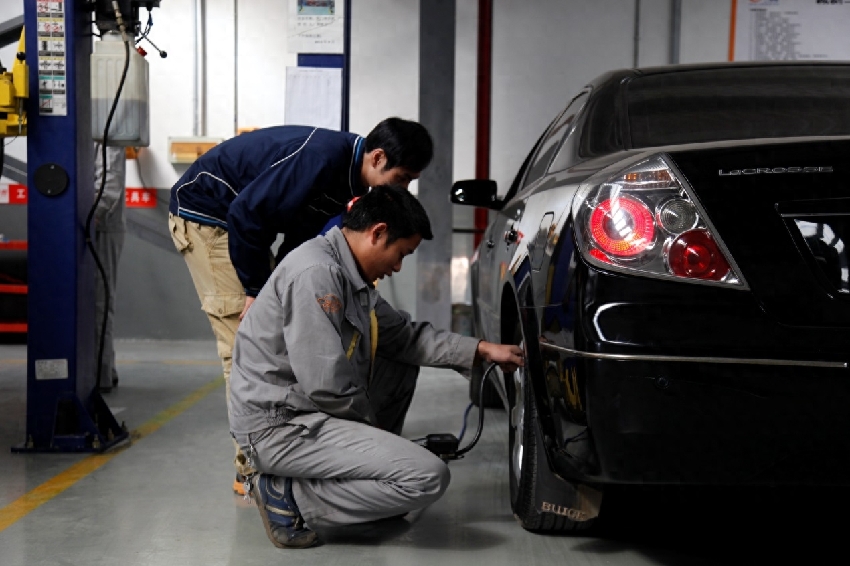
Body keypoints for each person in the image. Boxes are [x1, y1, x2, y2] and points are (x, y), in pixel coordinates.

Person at [228, 185, 524, 549]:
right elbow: (326, 383)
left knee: (399, 361)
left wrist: (480, 350)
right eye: (400, 254)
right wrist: (374, 437)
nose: (398, 267)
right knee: (427, 478)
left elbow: (404, 337)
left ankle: (371, 479)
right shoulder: (317, 273)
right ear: (378, 232)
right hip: (281, 427)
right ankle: (285, 494)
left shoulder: (349, 274)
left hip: (304, 413)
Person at [167, 118, 434, 496]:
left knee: (283, 326)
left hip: (241, 223)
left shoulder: (350, 182)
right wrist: (256, 289)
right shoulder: (322, 159)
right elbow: (246, 214)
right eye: (403, 177)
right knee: (242, 340)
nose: (404, 188)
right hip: (211, 217)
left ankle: (296, 447)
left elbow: (298, 238)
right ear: (377, 158)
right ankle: (255, 476)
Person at [93, 141, 127, 393]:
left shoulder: (109, 138)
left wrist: (86, 218)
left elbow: (109, 189)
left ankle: (100, 374)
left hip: (101, 228)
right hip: (87, 225)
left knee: (99, 302)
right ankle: (101, 369)